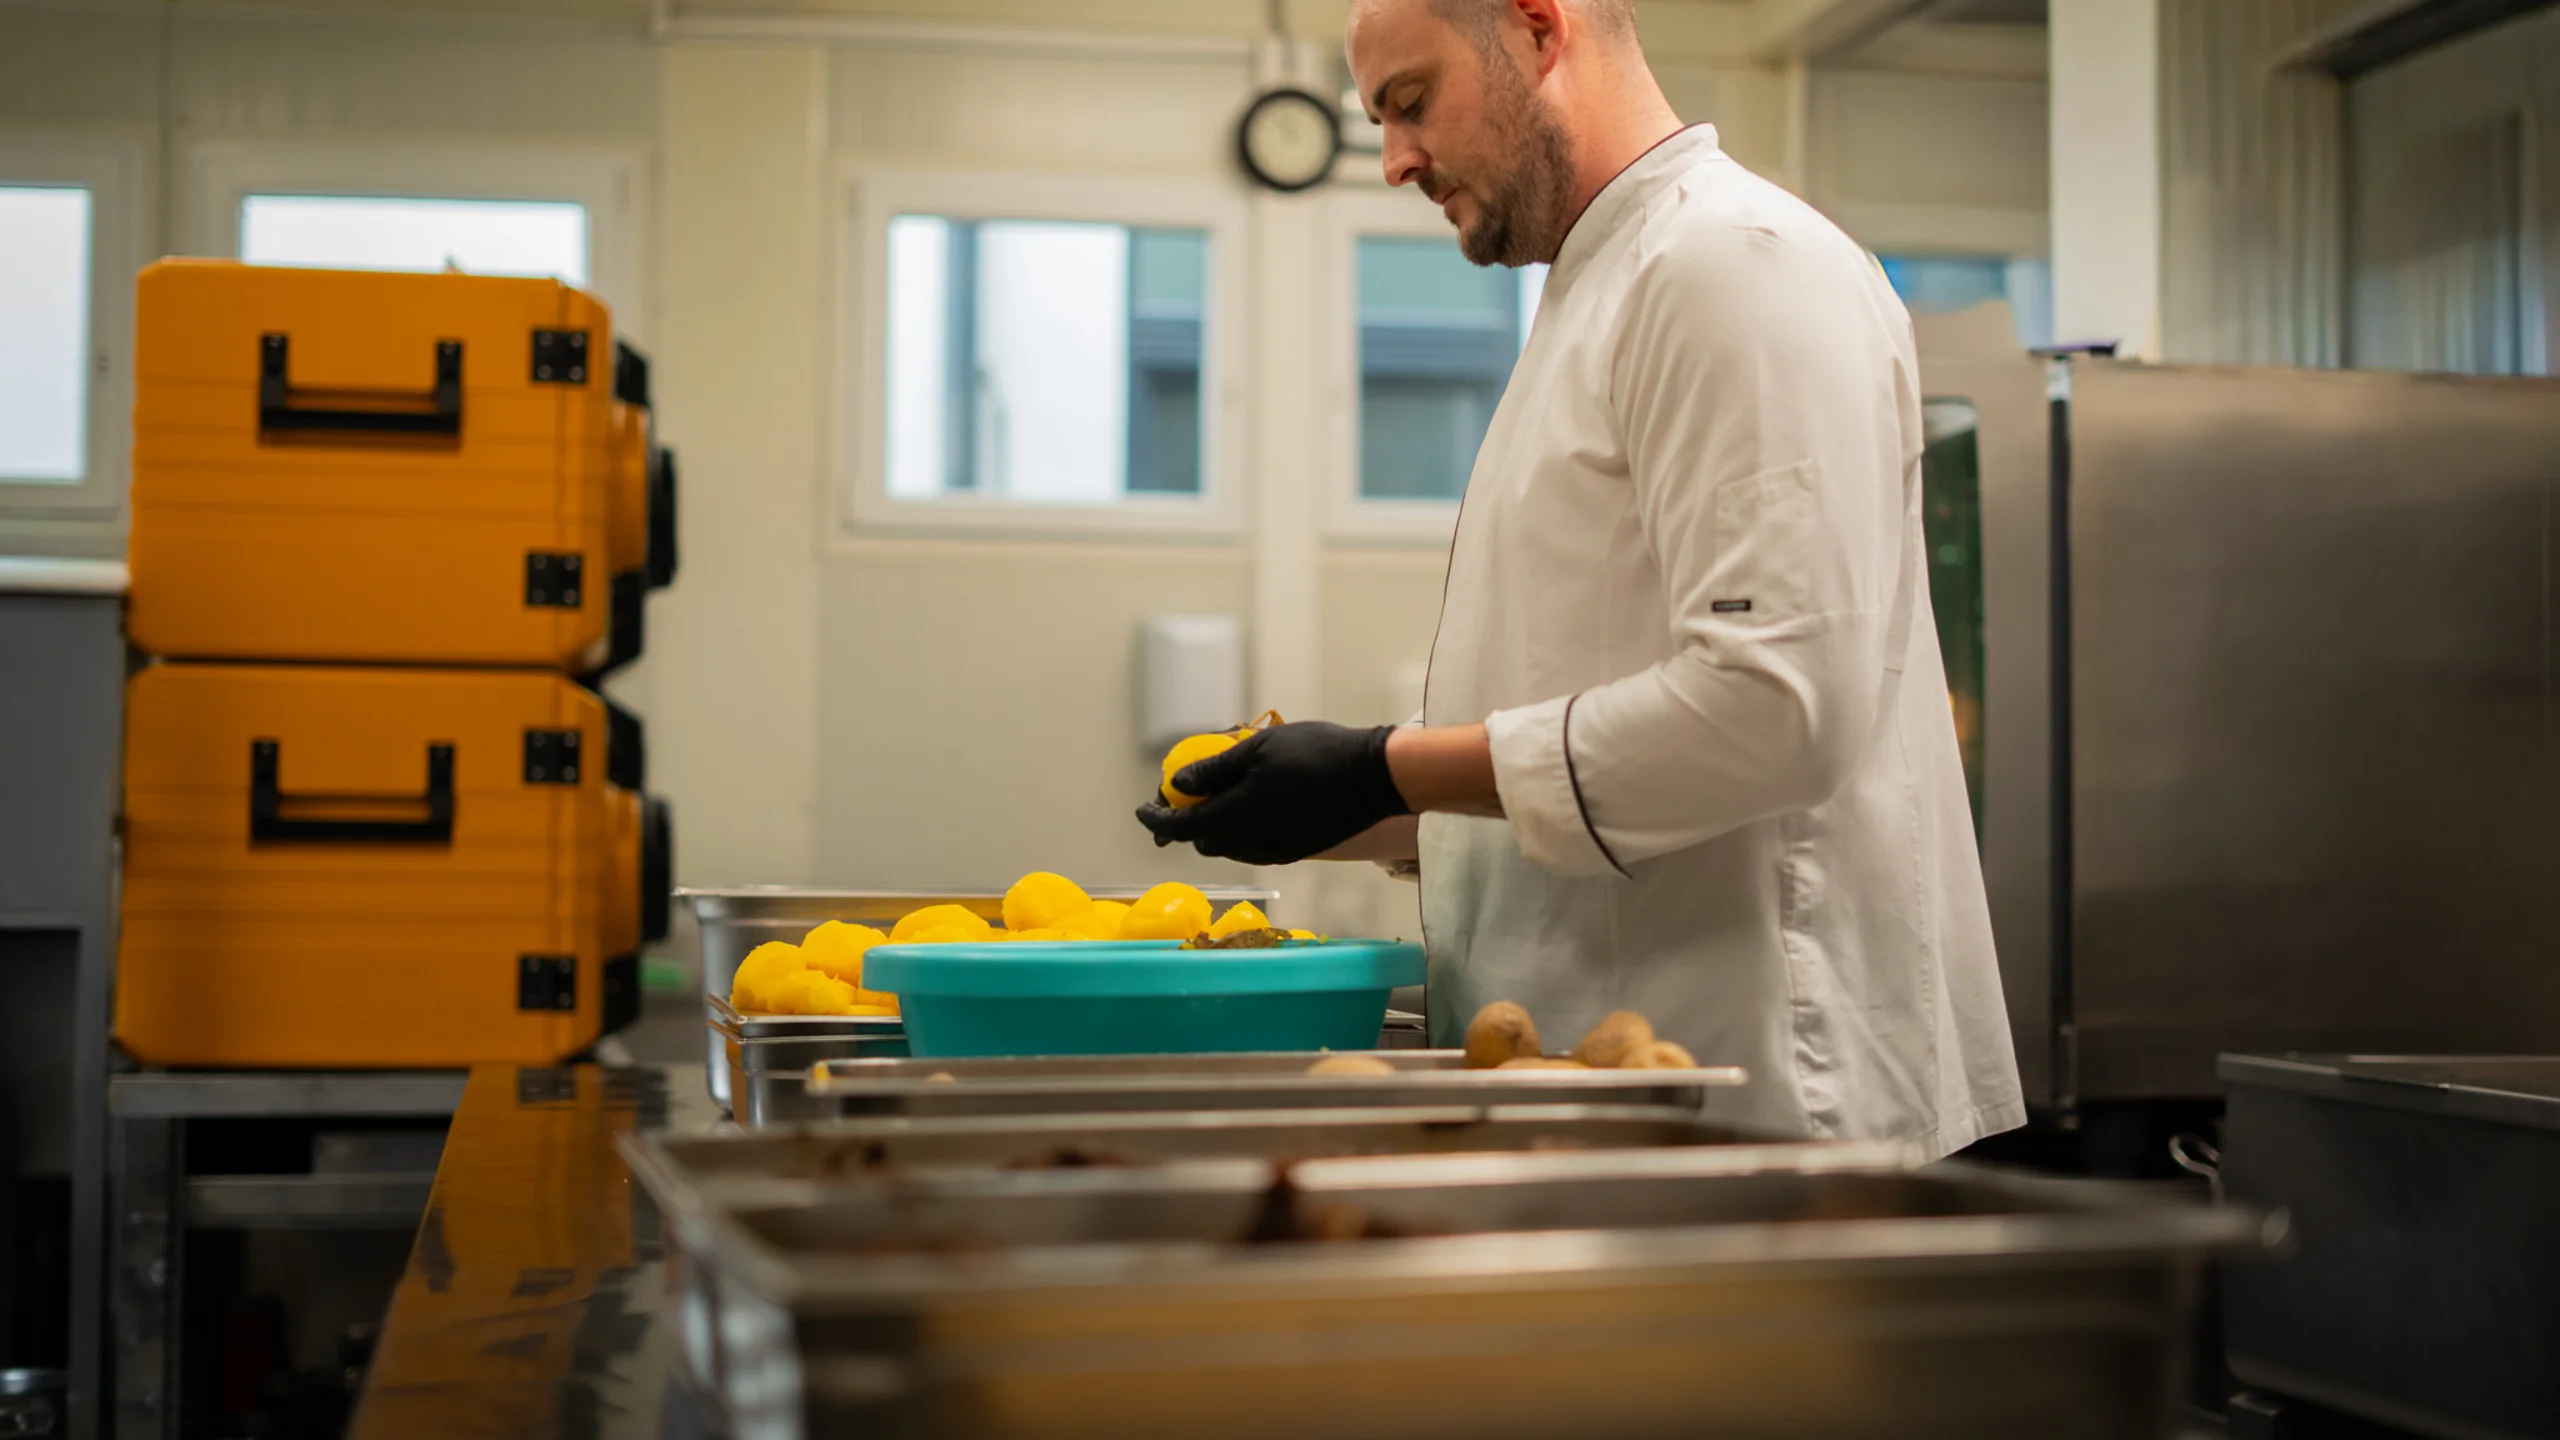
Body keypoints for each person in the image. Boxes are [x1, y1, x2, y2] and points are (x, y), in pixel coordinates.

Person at [1138, 0, 2022, 1154]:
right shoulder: (1603, 287)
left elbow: (1775, 708)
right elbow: (1587, 718)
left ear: (1537, 27)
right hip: (1602, 1091)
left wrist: (1381, 766)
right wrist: (1354, 806)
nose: (1395, 160)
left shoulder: (1734, 265)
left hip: (1746, 1095)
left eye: (1410, 102)